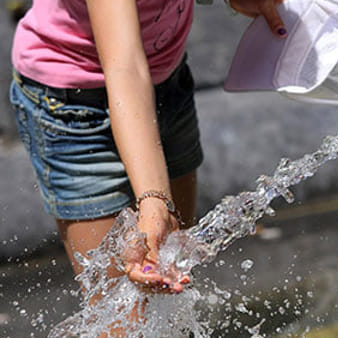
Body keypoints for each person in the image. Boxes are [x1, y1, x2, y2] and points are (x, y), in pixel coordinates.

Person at [9, 0, 287, 295]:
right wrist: (155, 200)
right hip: (75, 110)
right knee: (122, 314)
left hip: (167, 83)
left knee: (169, 280)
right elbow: (125, 67)